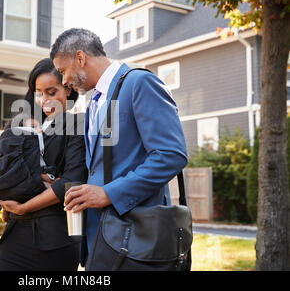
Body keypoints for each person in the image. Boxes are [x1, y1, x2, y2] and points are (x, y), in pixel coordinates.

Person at [49, 28, 188, 268]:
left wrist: (108, 193)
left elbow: (171, 155)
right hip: (102, 239)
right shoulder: (94, 103)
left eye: (63, 71)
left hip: (136, 239)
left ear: (80, 58)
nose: (63, 81)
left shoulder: (139, 82)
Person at [0, 58, 88, 271]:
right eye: (39, 93)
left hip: (56, 238)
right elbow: (5, 171)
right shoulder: (20, 125)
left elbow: (70, 183)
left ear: (67, 89)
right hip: (15, 234)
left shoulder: (78, 124)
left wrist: (23, 205)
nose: (44, 100)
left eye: (51, 92)